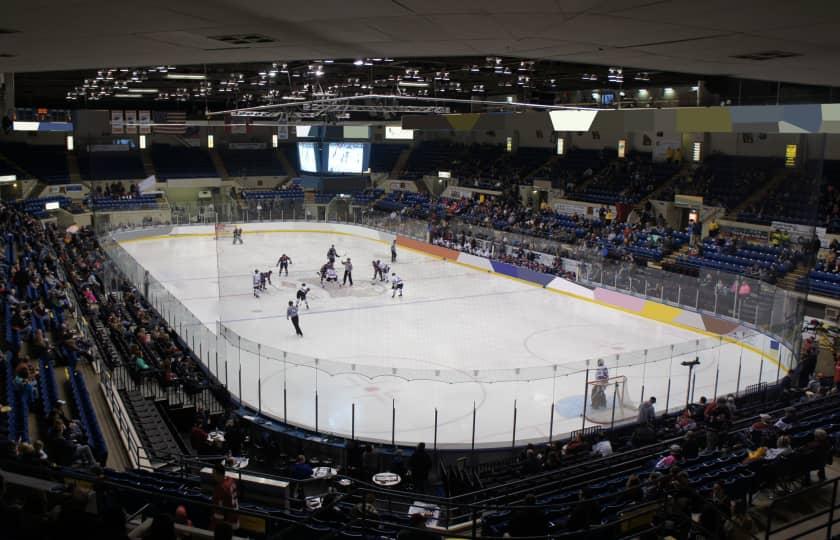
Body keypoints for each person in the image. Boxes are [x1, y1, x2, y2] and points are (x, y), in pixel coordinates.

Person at [211, 463, 239, 531]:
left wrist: (214, 528)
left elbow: (219, 512)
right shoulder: (231, 480)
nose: (212, 475)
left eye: (213, 473)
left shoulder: (220, 488)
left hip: (227, 524)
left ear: (219, 474)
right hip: (236, 518)